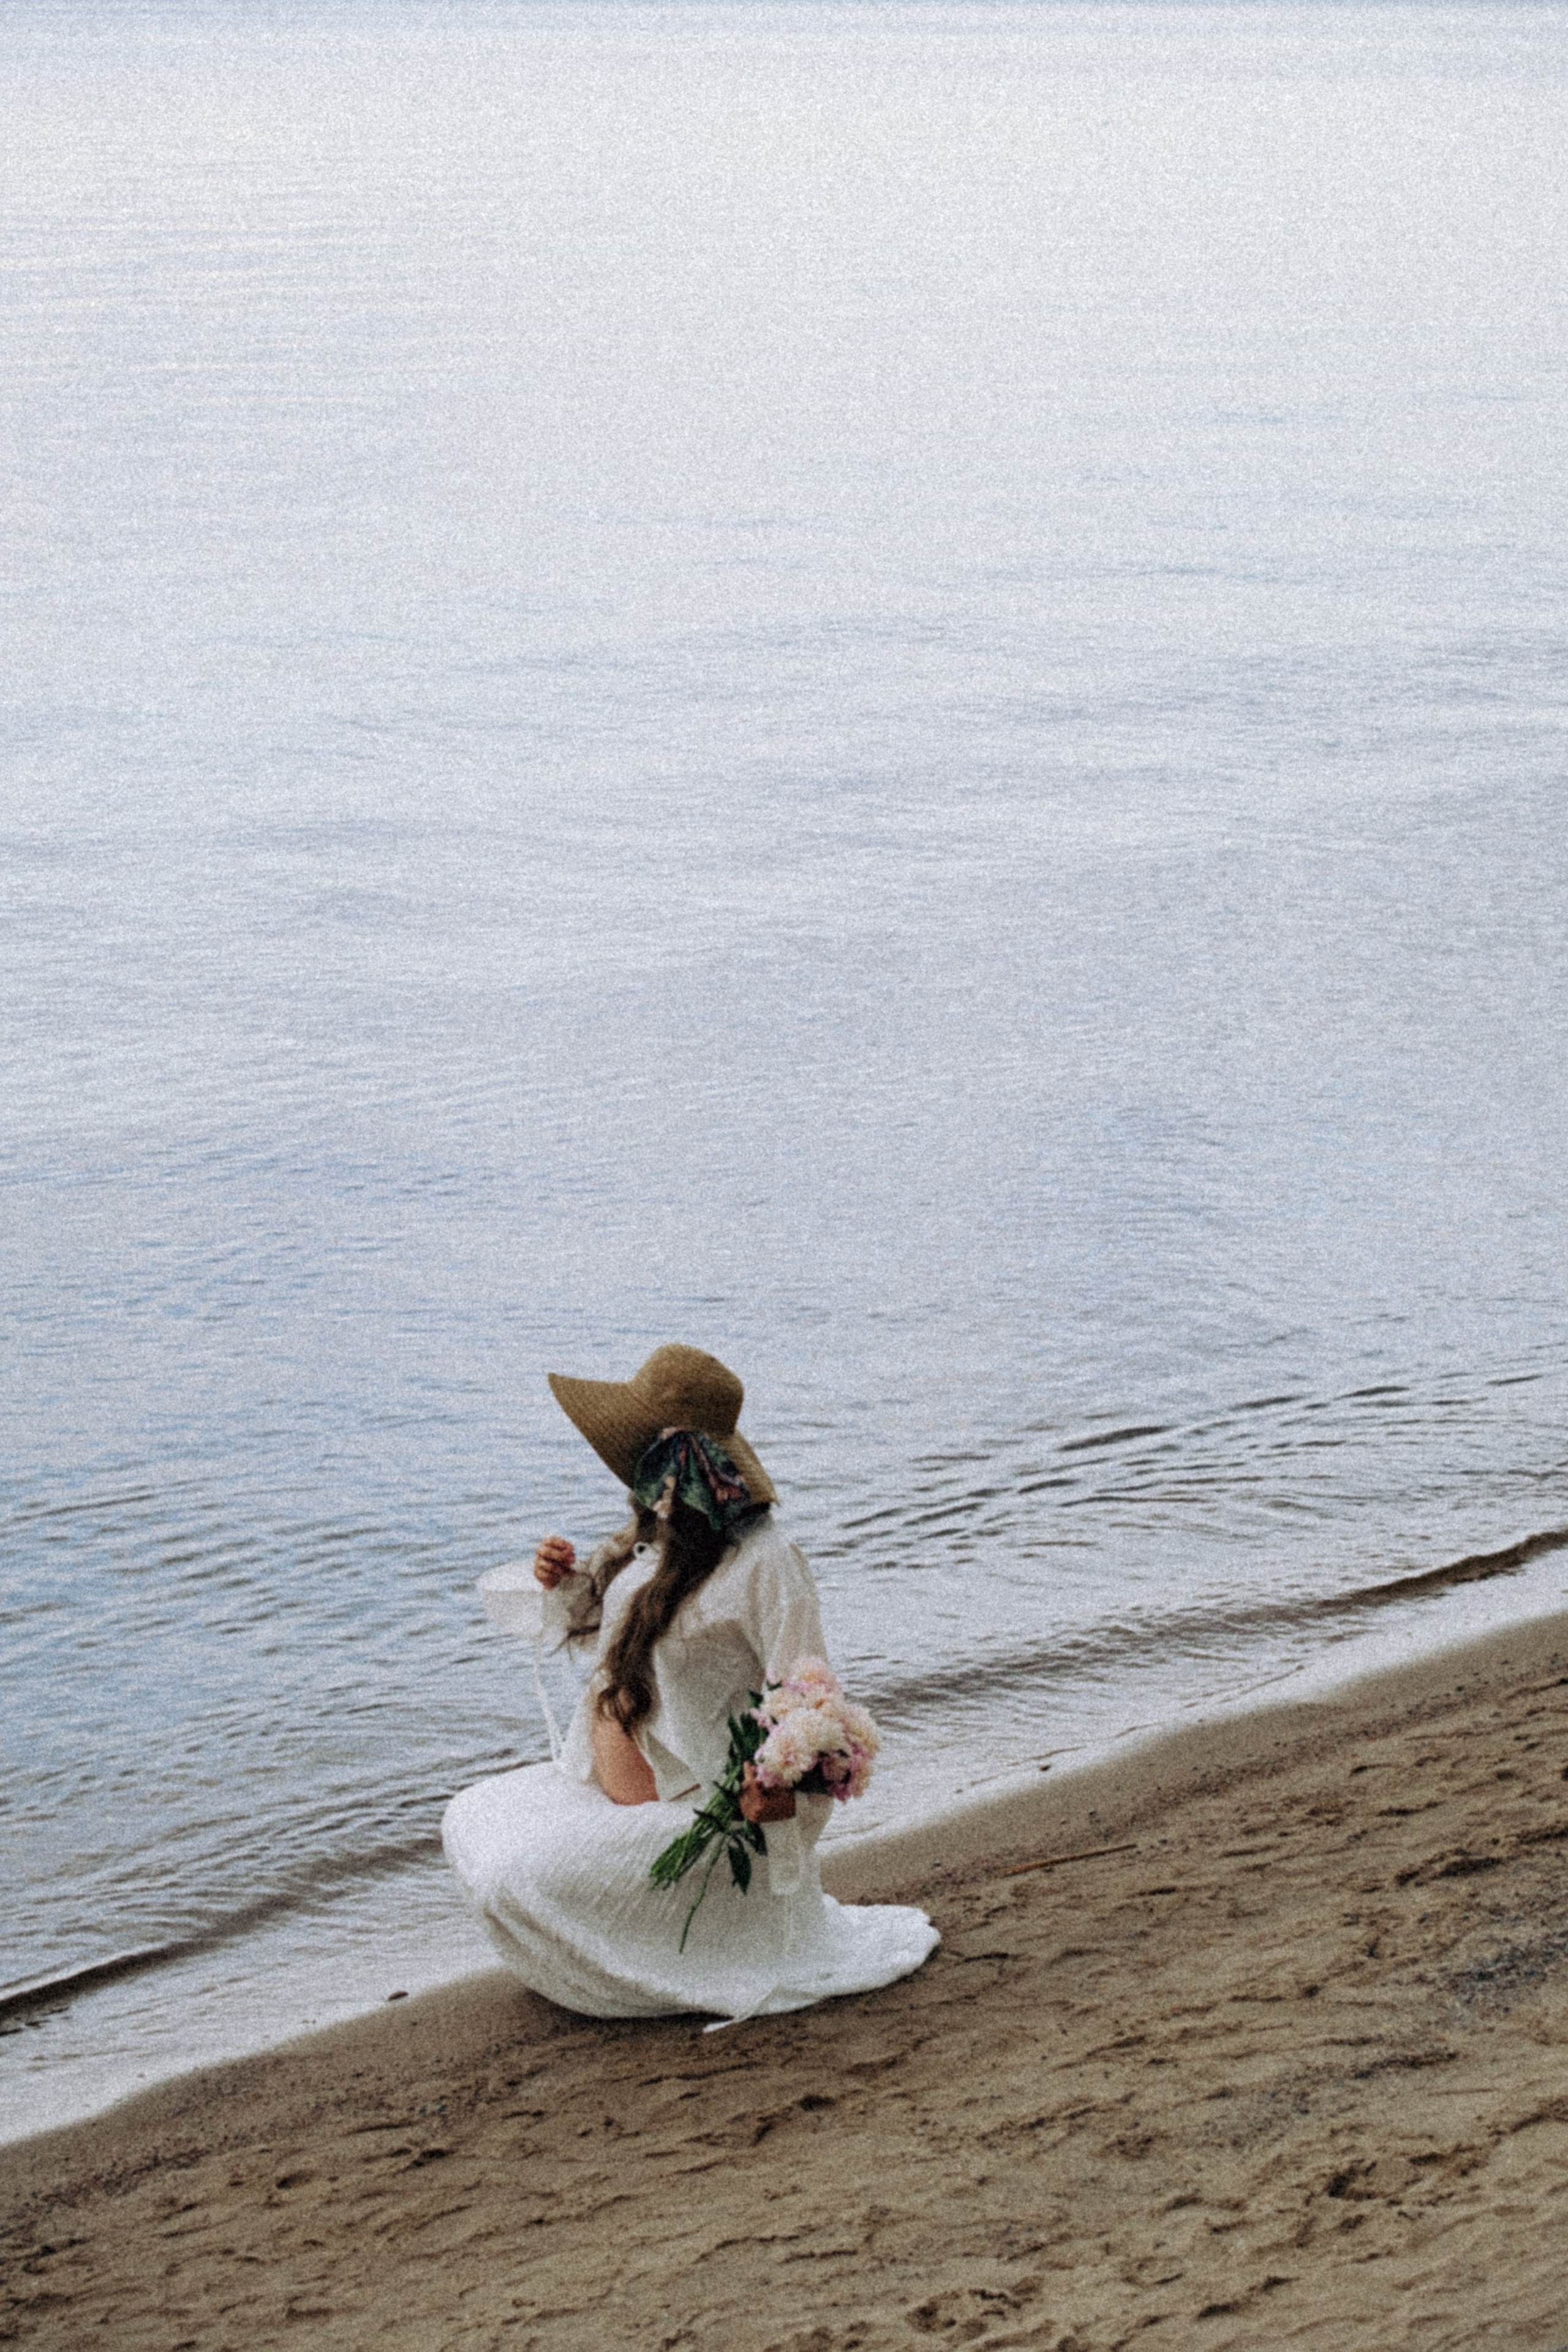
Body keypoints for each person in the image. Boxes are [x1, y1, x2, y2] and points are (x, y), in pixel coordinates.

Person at [442, 1343, 939, 2023]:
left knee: (510, 1877)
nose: (638, 1477)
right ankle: (606, 1963)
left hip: (693, 1810)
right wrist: (562, 1583)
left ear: (685, 1463)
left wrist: (777, 1793)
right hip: (603, 1788)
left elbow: (812, 1701)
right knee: (470, 1817)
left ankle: (638, 1971)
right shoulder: (655, 1538)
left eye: (649, 1456)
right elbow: (606, 1623)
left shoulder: (766, 1562)